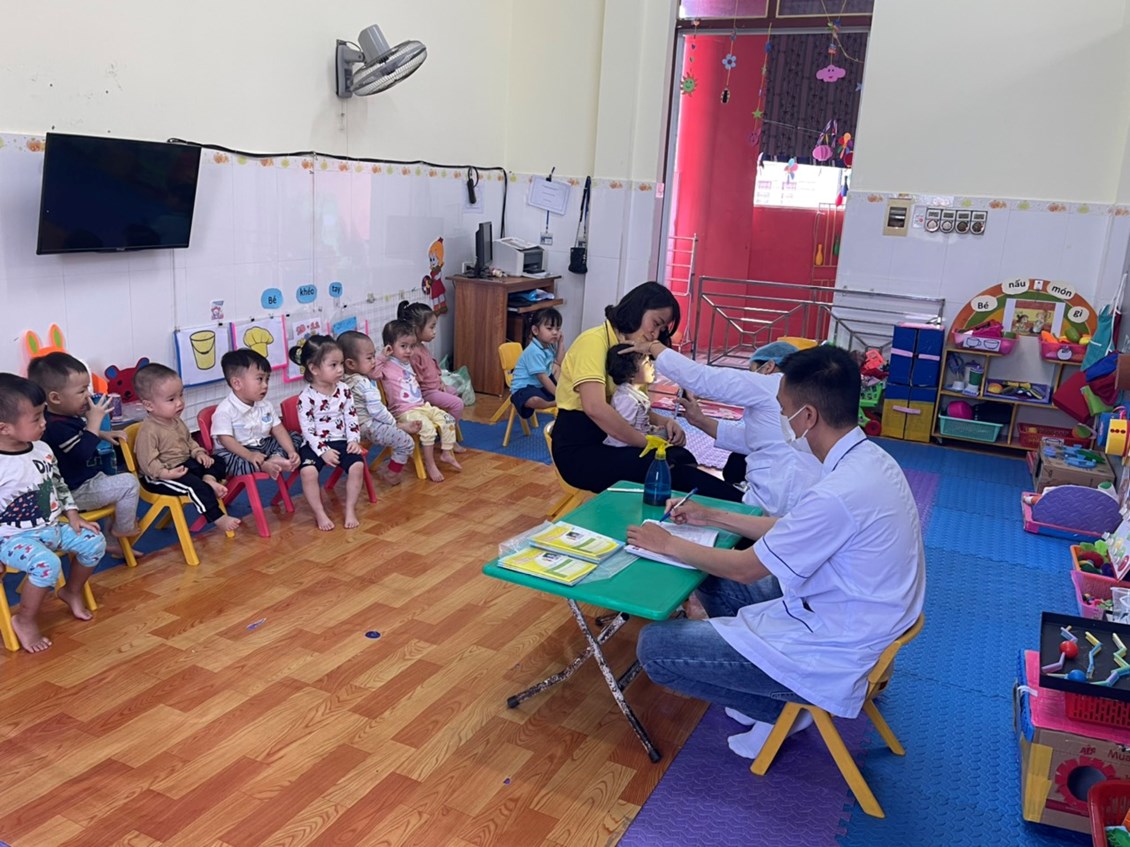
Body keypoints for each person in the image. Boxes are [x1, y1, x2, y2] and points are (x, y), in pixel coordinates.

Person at [628, 346, 925, 760]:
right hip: (852, 613)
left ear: (808, 417)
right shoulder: (871, 461)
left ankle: (778, 708)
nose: (781, 420)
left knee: (654, 649)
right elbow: (791, 529)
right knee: (710, 573)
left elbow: (747, 569)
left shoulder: (838, 491)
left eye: (784, 411)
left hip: (836, 644)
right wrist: (711, 515)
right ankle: (772, 697)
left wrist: (668, 543)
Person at [550, 281, 740, 501]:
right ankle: (736, 506)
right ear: (637, 309)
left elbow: (632, 405)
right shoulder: (593, 341)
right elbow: (595, 408)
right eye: (656, 324)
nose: (655, 334)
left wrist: (665, 422)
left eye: (661, 329)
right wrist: (646, 442)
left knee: (679, 456)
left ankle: (734, 506)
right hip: (580, 451)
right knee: (664, 467)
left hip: (610, 440)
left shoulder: (632, 348)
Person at [628, 339, 821, 516]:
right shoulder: (802, 395)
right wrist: (700, 420)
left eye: (752, 370)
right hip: (792, 501)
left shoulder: (771, 383)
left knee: (682, 476)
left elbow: (702, 378)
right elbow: (756, 440)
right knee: (736, 461)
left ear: (769, 366)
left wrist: (653, 346)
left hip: (771, 506)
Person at [0, 374, 107, 652]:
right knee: (47, 564)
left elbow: (57, 484)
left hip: (50, 527)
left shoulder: (42, 449)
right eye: (36, 418)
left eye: (43, 414)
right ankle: (25, 619)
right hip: (10, 539)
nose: (44, 423)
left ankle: (71, 591)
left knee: (94, 542)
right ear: (4, 428)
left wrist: (72, 513)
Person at [28, 352, 140, 559]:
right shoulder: (56, 426)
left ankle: (112, 541)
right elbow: (81, 454)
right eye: (81, 391)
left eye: (87, 388)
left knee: (118, 487)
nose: (88, 395)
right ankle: (123, 529)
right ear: (55, 398)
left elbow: (81, 435)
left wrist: (102, 433)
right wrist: (94, 422)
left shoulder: (66, 416)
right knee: (129, 483)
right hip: (74, 492)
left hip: (87, 481)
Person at [133, 364, 242, 535]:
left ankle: (208, 479)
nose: (180, 403)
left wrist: (198, 453)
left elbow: (189, 441)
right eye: (171, 399)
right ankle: (218, 517)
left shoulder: (175, 420)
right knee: (195, 486)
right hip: (159, 476)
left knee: (219, 460)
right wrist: (165, 473)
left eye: (181, 395)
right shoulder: (149, 431)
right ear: (149, 405)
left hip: (185, 465)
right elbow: (147, 463)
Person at [288, 335, 365, 531]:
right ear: (314, 369)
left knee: (357, 467)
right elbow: (307, 430)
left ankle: (350, 509)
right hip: (315, 444)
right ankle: (319, 513)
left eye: (341, 364)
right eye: (333, 365)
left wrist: (354, 440)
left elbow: (351, 417)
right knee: (308, 472)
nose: (340, 369)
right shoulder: (306, 397)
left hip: (341, 440)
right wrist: (323, 451)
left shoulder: (344, 390)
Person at [373, 320, 461, 483]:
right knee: (428, 429)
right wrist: (383, 356)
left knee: (448, 419)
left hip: (421, 406)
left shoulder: (407, 362)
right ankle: (430, 464)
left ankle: (446, 452)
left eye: (411, 346)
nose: (409, 351)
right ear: (390, 347)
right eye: (403, 346)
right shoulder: (386, 366)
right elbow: (373, 374)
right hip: (404, 411)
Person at [338, 329, 420, 486]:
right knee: (406, 442)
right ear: (351, 363)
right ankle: (392, 473)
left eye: (374, 356)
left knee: (387, 424)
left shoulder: (342, 379)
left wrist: (382, 356)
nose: (374, 361)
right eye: (370, 358)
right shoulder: (363, 384)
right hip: (367, 427)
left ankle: (398, 426)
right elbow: (378, 411)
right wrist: (395, 423)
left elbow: (374, 373)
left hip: (349, 428)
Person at [210, 349, 301, 480]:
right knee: (225, 461)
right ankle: (263, 465)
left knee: (294, 436)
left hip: (262, 445)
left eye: (267, 379)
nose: (265, 385)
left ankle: (276, 457)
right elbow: (226, 440)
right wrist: (250, 456)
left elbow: (279, 430)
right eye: (260, 379)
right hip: (237, 450)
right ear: (237, 383)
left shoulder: (266, 405)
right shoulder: (224, 410)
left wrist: (291, 451)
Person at [398, 301, 466, 445]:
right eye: (431, 327)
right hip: (427, 393)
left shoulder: (421, 347)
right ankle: (449, 438)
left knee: (454, 392)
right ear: (416, 328)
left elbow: (432, 368)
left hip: (434, 388)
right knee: (457, 404)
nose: (434, 331)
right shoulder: (413, 352)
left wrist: (440, 382)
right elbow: (417, 381)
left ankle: (445, 426)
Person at [510, 308, 564, 420]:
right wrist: (558, 395)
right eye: (549, 328)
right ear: (535, 330)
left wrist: (561, 342)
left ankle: (559, 396)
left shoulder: (549, 345)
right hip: (523, 387)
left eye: (558, 329)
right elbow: (542, 378)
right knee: (534, 400)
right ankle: (552, 403)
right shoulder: (534, 351)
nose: (555, 332)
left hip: (538, 384)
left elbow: (558, 362)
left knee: (557, 368)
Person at [603, 343, 656, 448]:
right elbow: (623, 435)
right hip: (629, 448)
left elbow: (639, 424)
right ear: (631, 373)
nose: (652, 365)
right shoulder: (626, 399)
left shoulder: (635, 394)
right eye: (646, 362)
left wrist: (652, 429)